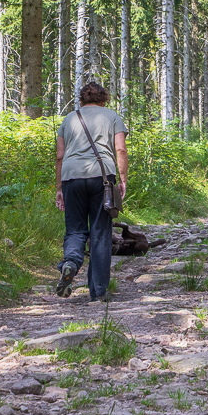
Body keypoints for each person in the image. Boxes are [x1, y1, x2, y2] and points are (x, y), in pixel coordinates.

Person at [54, 81, 129, 302]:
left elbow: (59, 156)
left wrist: (59, 188)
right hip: (102, 177)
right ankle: (98, 291)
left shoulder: (69, 119)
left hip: (71, 177)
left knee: (75, 230)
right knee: (100, 233)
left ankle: (71, 262)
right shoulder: (112, 116)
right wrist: (122, 180)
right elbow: (121, 149)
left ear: (81, 99)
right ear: (103, 98)